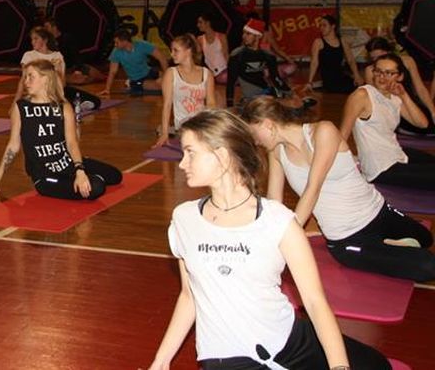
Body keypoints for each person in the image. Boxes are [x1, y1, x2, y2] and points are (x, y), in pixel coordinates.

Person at [146, 109, 390, 370]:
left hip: (287, 337)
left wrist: (339, 367)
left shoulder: (278, 220)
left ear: (222, 156)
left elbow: (314, 301)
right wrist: (161, 361)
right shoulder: (184, 219)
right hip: (227, 359)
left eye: (191, 152)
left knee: (376, 365)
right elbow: (189, 295)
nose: (182, 163)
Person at [244, 96, 435, 282]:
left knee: (425, 238)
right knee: (427, 266)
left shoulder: (323, 131)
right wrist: (265, 236)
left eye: (254, 134)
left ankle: (387, 244)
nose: (255, 142)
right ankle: (385, 246)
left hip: (377, 212)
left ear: (268, 125)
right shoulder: (276, 152)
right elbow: (274, 201)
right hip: (346, 237)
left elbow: (313, 188)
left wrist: (288, 236)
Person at [0, 59, 121, 200]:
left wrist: (79, 169)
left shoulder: (63, 107)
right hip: (45, 176)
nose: (26, 82)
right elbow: (13, 145)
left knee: (115, 176)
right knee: (97, 186)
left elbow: (72, 143)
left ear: (46, 79)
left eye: (31, 77)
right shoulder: (21, 107)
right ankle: (82, 180)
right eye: (25, 77)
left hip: (67, 163)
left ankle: (81, 176)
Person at [339, 53, 433, 190]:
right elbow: (342, 136)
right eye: (379, 71)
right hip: (380, 167)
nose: (382, 77)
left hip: (396, 153)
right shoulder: (362, 95)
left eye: (389, 73)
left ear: (400, 77)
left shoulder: (394, 97)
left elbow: (422, 124)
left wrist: (404, 95)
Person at [363, 37, 435, 136]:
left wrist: (433, 111)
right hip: (393, 108)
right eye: (374, 58)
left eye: (381, 56)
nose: (379, 60)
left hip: (411, 103)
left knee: (427, 121)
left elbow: (421, 89)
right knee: (425, 128)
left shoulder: (408, 61)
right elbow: (375, 99)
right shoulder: (370, 71)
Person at [14, 27, 99, 109]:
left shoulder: (57, 56)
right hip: (39, 92)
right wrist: (15, 102)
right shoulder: (28, 55)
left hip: (57, 90)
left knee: (95, 101)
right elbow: (23, 79)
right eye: (32, 39)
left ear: (45, 40)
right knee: (62, 105)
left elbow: (62, 83)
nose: (33, 42)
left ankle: (73, 105)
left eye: (36, 39)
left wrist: (56, 69)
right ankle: (70, 105)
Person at [155, 34, 215, 148]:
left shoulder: (207, 73)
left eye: (176, 50)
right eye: (171, 50)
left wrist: (210, 126)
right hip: (184, 127)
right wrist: (164, 133)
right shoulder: (171, 73)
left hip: (202, 125)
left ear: (188, 51)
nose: (171, 54)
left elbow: (211, 103)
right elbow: (167, 105)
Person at [225, 19, 298, 108]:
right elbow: (231, 82)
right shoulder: (237, 55)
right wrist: (229, 105)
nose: (244, 36)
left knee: (288, 101)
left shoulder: (268, 55)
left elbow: (276, 79)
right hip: (250, 98)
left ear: (258, 36)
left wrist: (290, 93)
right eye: (244, 33)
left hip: (266, 92)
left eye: (248, 34)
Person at [98, 28, 168, 96]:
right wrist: (107, 89)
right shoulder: (116, 52)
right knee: (160, 86)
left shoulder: (142, 45)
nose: (115, 45)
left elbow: (162, 58)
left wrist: (166, 76)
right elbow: (112, 72)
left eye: (117, 42)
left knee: (170, 79)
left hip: (149, 71)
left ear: (125, 41)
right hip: (137, 79)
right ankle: (130, 82)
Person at [306, 14, 362, 94]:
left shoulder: (342, 41)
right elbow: (314, 63)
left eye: (324, 25)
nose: (321, 28)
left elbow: (350, 60)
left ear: (333, 26)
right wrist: (310, 82)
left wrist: (357, 75)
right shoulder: (318, 42)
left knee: (362, 86)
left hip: (341, 76)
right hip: (329, 81)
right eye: (320, 25)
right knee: (351, 90)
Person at [45, 18, 102, 85]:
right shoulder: (48, 42)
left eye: (47, 27)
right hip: (63, 70)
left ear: (54, 27)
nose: (45, 29)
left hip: (74, 66)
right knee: (79, 80)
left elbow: (76, 54)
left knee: (99, 76)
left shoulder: (67, 38)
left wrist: (78, 69)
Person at [195, 14, 228, 85]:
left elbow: (226, 55)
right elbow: (198, 58)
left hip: (224, 71)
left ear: (208, 23)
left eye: (200, 22)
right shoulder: (200, 39)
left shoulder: (221, 36)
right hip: (211, 74)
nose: (198, 25)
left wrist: (232, 71)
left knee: (224, 78)